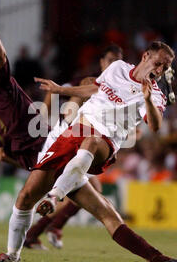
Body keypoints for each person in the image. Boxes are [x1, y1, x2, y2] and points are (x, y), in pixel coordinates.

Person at [0, 8, 177, 262]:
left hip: (102, 144)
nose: (161, 69)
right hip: (70, 138)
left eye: (166, 66)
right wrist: (61, 89)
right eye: (159, 63)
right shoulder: (118, 68)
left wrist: (146, 99)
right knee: (31, 198)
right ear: (145, 56)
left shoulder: (155, 94)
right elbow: (96, 87)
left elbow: (154, 126)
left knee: (92, 141)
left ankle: (54, 197)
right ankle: (12, 256)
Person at [24, 45, 124, 250]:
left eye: (119, 61)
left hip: (80, 142)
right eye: (111, 60)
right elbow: (58, 107)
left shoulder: (118, 91)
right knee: (67, 192)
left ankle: (38, 232)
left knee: (80, 190)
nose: (115, 65)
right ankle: (40, 231)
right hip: (65, 139)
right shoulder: (88, 83)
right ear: (102, 63)